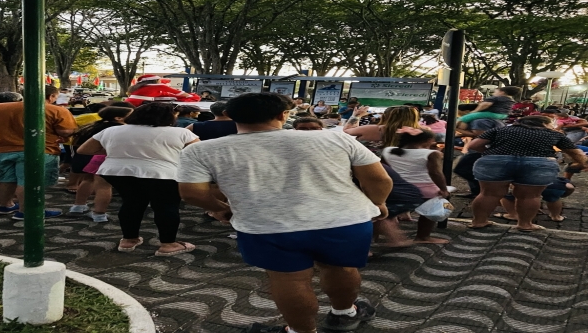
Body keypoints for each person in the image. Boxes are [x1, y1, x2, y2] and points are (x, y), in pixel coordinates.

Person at [176, 93, 392, 333]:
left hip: (266, 225)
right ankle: (345, 314)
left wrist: (221, 210)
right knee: (342, 268)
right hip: (345, 220)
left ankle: (301, 331)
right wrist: (378, 203)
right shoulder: (335, 139)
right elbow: (379, 179)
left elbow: (191, 193)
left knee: (289, 280)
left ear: (229, 115)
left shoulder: (201, 151)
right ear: (282, 115)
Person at [77, 103, 199, 256]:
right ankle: (168, 244)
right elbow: (197, 152)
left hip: (117, 172)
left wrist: (117, 150)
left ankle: (128, 240)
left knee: (131, 203)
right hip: (163, 174)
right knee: (166, 206)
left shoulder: (112, 130)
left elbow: (84, 149)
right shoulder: (180, 133)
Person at [467, 115, 587, 231]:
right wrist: (581, 163)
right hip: (538, 163)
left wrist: (491, 153)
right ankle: (525, 225)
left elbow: (473, 145)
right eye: (551, 124)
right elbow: (575, 153)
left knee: (489, 194)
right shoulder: (553, 134)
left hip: (496, 161)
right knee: (529, 196)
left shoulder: (500, 130)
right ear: (544, 124)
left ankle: (479, 222)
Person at [0, 85, 77, 219]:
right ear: (51, 96)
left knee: (4, 178)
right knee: (28, 181)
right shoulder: (56, 110)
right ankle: (28, 212)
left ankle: (4, 206)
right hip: (37, 151)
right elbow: (65, 132)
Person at [381, 128, 450, 244]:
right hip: (425, 189)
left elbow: (385, 168)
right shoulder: (432, 154)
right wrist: (443, 189)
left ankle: (380, 235)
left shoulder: (388, 151)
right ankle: (423, 236)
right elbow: (435, 173)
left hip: (396, 186)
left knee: (388, 211)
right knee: (430, 212)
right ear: (428, 140)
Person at [67, 106, 133, 221]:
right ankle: (99, 214)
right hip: (106, 159)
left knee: (87, 180)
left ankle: (78, 206)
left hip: (91, 158)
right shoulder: (120, 130)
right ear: (118, 118)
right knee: (104, 186)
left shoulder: (95, 126)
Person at [344, 105, 422, 155]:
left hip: (369, 169)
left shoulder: (373, 129)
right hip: (405, 173)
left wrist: (356, 116)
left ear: (385, 116)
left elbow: (347, 131)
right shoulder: (421, 133)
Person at [496, 177, 574, 223]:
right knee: (553, 199)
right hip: (554, 187)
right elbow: (570, 187)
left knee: (506, 196)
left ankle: (513, 215)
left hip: (530, 184)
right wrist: (563, 195)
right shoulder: (563, 181)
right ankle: (556, 216)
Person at [457, 86, 521, 130]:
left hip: (492, 113)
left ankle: (457, 129)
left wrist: (475, 111)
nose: (494, 93)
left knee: (465, 118)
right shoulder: (510, 99)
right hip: (503, 115)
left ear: (502, 92)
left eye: (495, 92)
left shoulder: (496, 98)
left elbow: (485, 105)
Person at [125, 74, 200, 107]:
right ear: (156, 80)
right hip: (139, 103)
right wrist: (191, 96)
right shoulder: (158, 86)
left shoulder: (139, 86)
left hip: (129, 101)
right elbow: (179, 93)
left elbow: (163, 94)